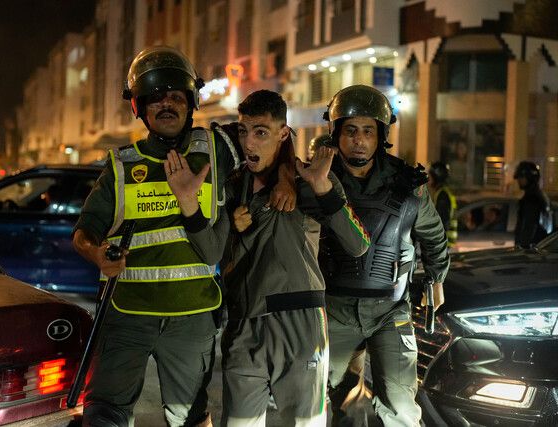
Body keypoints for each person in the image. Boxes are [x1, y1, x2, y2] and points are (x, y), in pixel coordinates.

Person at [72, 46, 294, 427]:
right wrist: (97, 254)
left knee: (190, 417)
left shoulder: (218, 147)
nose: (167, 104)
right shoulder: (121, 166)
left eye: (176, 96)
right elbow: (84, 231)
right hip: (128, 316)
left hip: (192, 320)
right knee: (105, 413)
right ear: (139, 107)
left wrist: (287, 177)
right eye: (156, 97)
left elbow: (275, 140)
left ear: (191, 102)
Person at [166, 89, 370, 426]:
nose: (249, 142)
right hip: (243, 325)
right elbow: (210, 252)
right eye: (243, 130)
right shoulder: (231, 187)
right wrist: (191, 205)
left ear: (283, 134)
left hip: (300, 323)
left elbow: (358, 244)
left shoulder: (310, 180)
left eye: (261, 132)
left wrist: (320, 186)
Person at [319, 85, 450, 426]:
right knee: (340, 402)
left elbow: (433, 235)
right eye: (350, 130)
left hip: (391, 310)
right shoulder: (318, 180)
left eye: (368, 131)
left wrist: (437, 279)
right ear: (336, 133)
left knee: (401, 407)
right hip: (334, 309)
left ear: (381, 136)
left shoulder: (408, 184)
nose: (359, 140)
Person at [514, 161, 553, 248]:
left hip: (532, 248)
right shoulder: (539, 195)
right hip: (539, 246)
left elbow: (529, 225)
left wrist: (523, 248)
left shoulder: (532, 198)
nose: (518, 180)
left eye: (521, 177)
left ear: (530, 178)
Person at [428, 161, 458, 247]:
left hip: (444, 244)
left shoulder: (442, 195)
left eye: (430, 176)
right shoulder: (442, 193)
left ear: (436, 177)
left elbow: (442, 221)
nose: (428, 178)